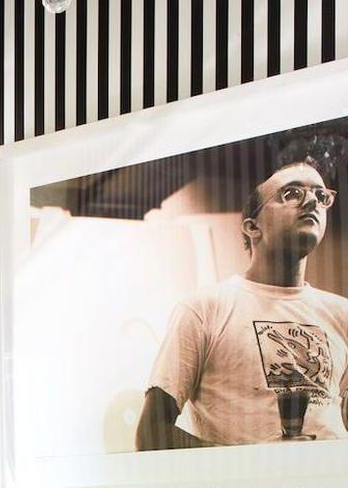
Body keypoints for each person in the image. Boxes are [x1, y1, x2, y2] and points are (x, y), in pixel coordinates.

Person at [135, 160, 348, 449]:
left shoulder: (342, 314)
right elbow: (152, 434)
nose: (311, 200)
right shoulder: (203, 309)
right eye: (291, 193)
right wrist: (253, 464)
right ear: (252, 227)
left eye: (321, 196)